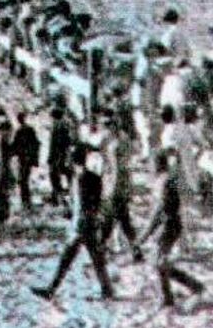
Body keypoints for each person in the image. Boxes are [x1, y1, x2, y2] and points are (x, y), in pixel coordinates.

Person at [32, 145, 115, 302]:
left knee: (69, 258)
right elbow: (94, 203)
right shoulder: (90, 178)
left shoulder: (81, 179)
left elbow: (85, 204)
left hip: (83, 225)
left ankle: (51, 289)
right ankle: (107, 289)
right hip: (86, 223)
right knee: (93, 258)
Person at [141, 150, 205, 310]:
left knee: (158, 261)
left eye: (151, 164)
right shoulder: (167, 179)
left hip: (168, 226)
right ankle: (170, 295)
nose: (149, 167)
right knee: (159, 262)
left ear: (157, 165)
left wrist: (145, 233)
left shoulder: (162, 182)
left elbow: (158, 211)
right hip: (171, 225)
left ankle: (191, 287)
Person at [100, 117, 145, 264]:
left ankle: (101, 250)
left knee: (110, 221)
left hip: (116, 187)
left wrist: (111, 189)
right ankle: (136, 250)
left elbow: (116, 169)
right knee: (124, 222)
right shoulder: (123, 139)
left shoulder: (114, 145)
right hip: (123, 185)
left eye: (107, 125)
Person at [11, 111, 41, 215]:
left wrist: (9, 153)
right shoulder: (30, 129)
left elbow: (15, 145)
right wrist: (35, 159)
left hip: (23, 159)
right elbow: (37, 144)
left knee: (23, 181)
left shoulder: (20, 131)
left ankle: (26, 202)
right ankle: (26, 201)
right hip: (28, 158)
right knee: (24, 180)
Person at [47, 106, 74, 208]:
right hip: (62, 156)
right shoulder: (64, 125)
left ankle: (59, 198)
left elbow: (56, 144)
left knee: (55, 177)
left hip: (58, 156)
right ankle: (60, 197)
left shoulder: (58, 126)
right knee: (63, 177)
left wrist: (52, 157)